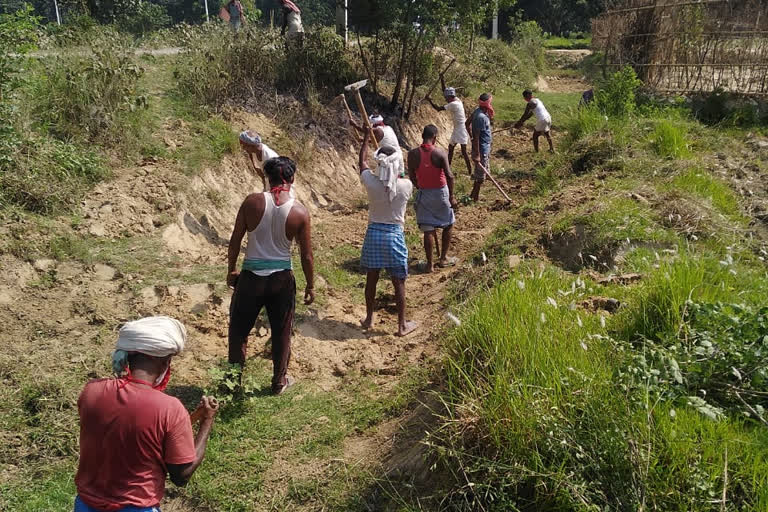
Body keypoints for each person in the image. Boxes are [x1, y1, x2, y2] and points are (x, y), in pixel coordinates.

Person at [74, 316, 219, 512]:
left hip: (86, 505)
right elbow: (181, 475)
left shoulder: (91, 391)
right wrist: (207, 420)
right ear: (163, 361)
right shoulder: (169, 409)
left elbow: (121, 431)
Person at [227, 156, 314, 395]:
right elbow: (307, 256)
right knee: (281, 330)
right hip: (281, 279)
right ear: (292, 178)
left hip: (251, 277)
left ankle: (232, 382)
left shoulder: (252, 203)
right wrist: (310, 286)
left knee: (239, 330)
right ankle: (278, 381)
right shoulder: (299, 212)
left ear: (267, 177)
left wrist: (231, 270)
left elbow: (235, 240)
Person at [358, 130, 418, 336]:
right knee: (399, 282)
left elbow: (362, 164)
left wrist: (366, 139)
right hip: (394, 236)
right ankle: (401, 325)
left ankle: (368, 318)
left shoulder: (371, 182)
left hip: (374, 233)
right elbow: (400, 176)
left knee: (371, 279)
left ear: (379, 162)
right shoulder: (406, 185)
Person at [407, 125, 458, 273]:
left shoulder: (412, 154)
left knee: (428, 229)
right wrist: (451, 197)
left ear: (422, 135)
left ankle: (429, 265)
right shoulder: (440, 153)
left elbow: (411, 175)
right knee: (448, 224)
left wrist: (419, 185)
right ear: (435, 137)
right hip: (441, 192)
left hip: (425, 193)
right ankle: (443, 258)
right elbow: (450, 175)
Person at [425, 81, 472, 174]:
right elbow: (445, 90)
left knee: (464, 151)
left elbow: (438, 109)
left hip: (462, 128)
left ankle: (470, 171)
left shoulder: (454, 104)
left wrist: (429, 100)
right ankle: (448, 168)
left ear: (450, 97)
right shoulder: (457, 100)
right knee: (450, 148)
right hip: (457, 128)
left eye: (446, 97)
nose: (445, 99)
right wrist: (442, 79)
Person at [465, 93, 494, 202]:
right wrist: (477, 154)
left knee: (480, 174)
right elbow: (476, 136)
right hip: (481, 150)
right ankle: (475, 198)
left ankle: (473, 195)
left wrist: (472, 136)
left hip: (483, 147)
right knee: (480, 177)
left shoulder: (479, 111)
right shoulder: (480, 117)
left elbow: (467, 123)